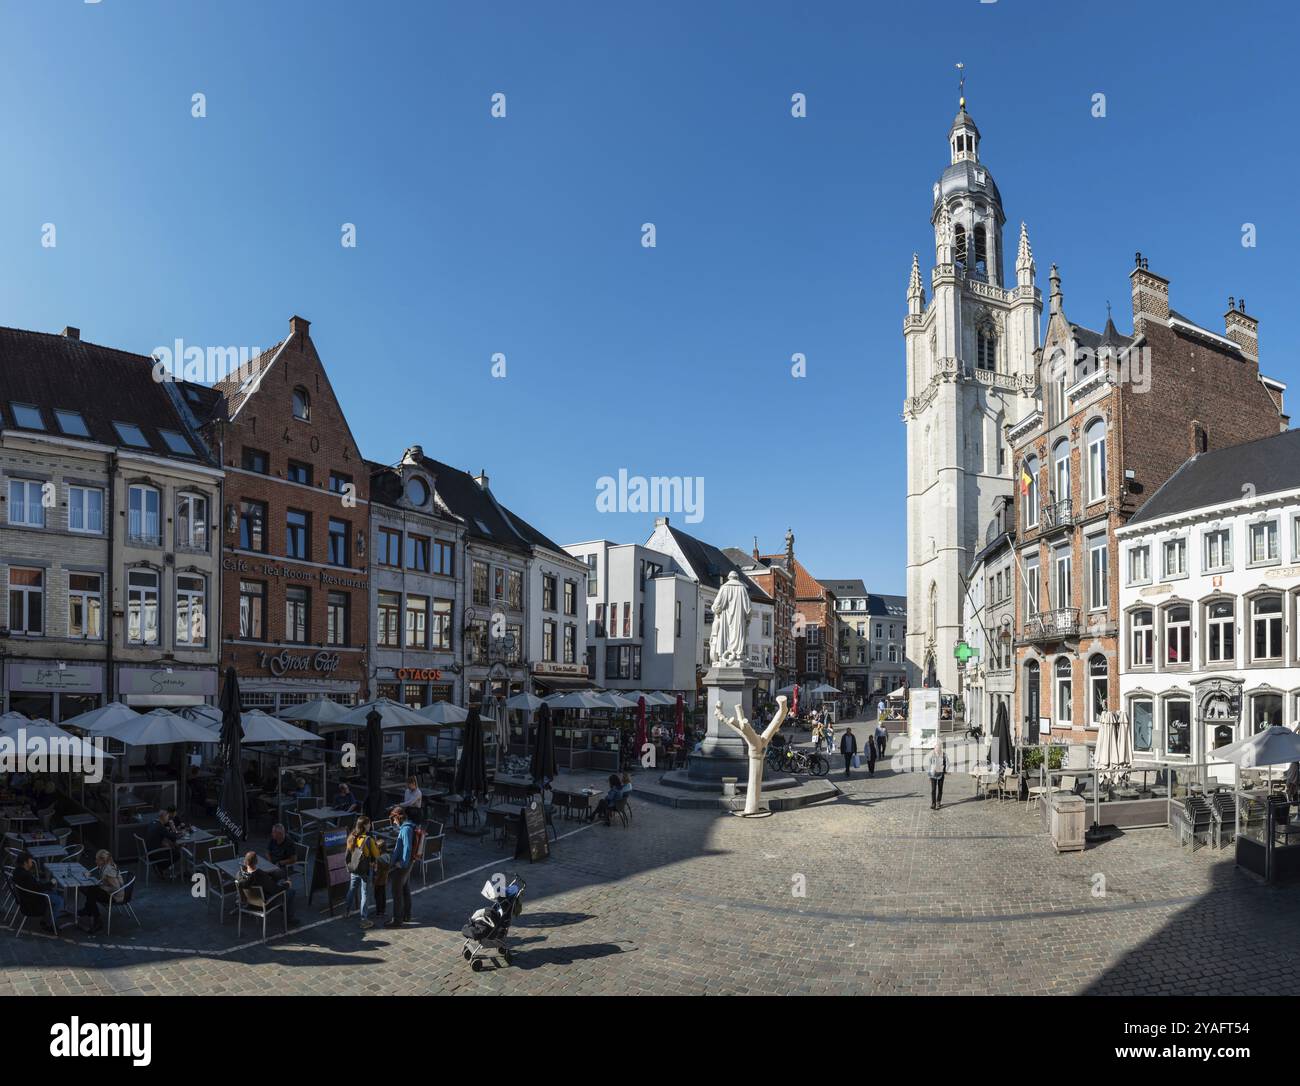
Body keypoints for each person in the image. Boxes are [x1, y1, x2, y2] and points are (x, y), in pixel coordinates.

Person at [236, 851, 300, 927]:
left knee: (277, 889)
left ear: (245, 861)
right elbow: (275, 890)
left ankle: (284, 908)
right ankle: (289, 918)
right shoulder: (260, 876)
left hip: (248, 903)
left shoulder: (239, 875)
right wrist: (287, 884)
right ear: (256, 861)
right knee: (290, 892)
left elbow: (252, 877)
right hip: (263, 905)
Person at [13, 851, 71, 932]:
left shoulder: (17, 871)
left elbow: (35, 886)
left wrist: (48, 885)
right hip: (32, 903)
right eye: (30, 861)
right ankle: (49, 924)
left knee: (53, 892)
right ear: (25, 863)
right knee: (59, 901)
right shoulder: (26, 875)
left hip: (26, 897)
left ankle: (47, 919)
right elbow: (38, 888)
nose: (32, 863)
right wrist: (51, 883)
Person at [343, 815, 380, 930]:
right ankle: (364, 919)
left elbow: (348, 853)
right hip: (365, 870)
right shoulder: (368, 840)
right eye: (369, 823)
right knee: (364, 893)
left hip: (354, 868)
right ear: (364, 825)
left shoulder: (352, 836)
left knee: (352, 889)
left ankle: (346, 911)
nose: (370, 825)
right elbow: (377, 854)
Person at [77, 849, 125, 934]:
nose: (95, 861)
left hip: (115, 896)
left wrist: (101, 887)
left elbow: (116, 887)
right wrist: (91, 877)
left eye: (97, 859)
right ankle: (89, 910)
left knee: (92, 891)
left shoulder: (108, 870)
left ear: (103, 860)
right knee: (90, 890)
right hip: (111, 893)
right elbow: (103, 881)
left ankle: (95, 917)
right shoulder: (104, 866)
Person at [385, 806, 414, 928]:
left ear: (398, 817)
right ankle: (407, 915)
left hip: (403, 865)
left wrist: (401, 863)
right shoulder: (408, 826)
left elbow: (407, 848)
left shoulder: (406, 829)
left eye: (393, 818)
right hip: (406, 864)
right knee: (405, 889)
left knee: (397, 891)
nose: (393, 821)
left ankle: (397, 920)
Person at [144, 808, 181, 877]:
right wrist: (173, 828)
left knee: (169, 846)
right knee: (177, 854)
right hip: (154, 853)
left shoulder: (152, 823)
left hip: (148, 851)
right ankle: (161, 867)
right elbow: (173, 837)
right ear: (162, 817)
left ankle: (160, 866)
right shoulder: (160, 826)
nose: (168, 818)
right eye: (167, 817)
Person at [928, 741, 948, 810]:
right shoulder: (931, 755)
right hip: (933, 774)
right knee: (933, 790)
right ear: (934, 748)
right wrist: (929, 774)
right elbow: (929, 765)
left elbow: (947, 763)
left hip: (941, 774)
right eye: (936, 748)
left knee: (940, 789)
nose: (937, 749)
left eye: (938, 748)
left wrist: (945, 770)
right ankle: (933, 803)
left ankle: (938, 802)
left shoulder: (944, 755)